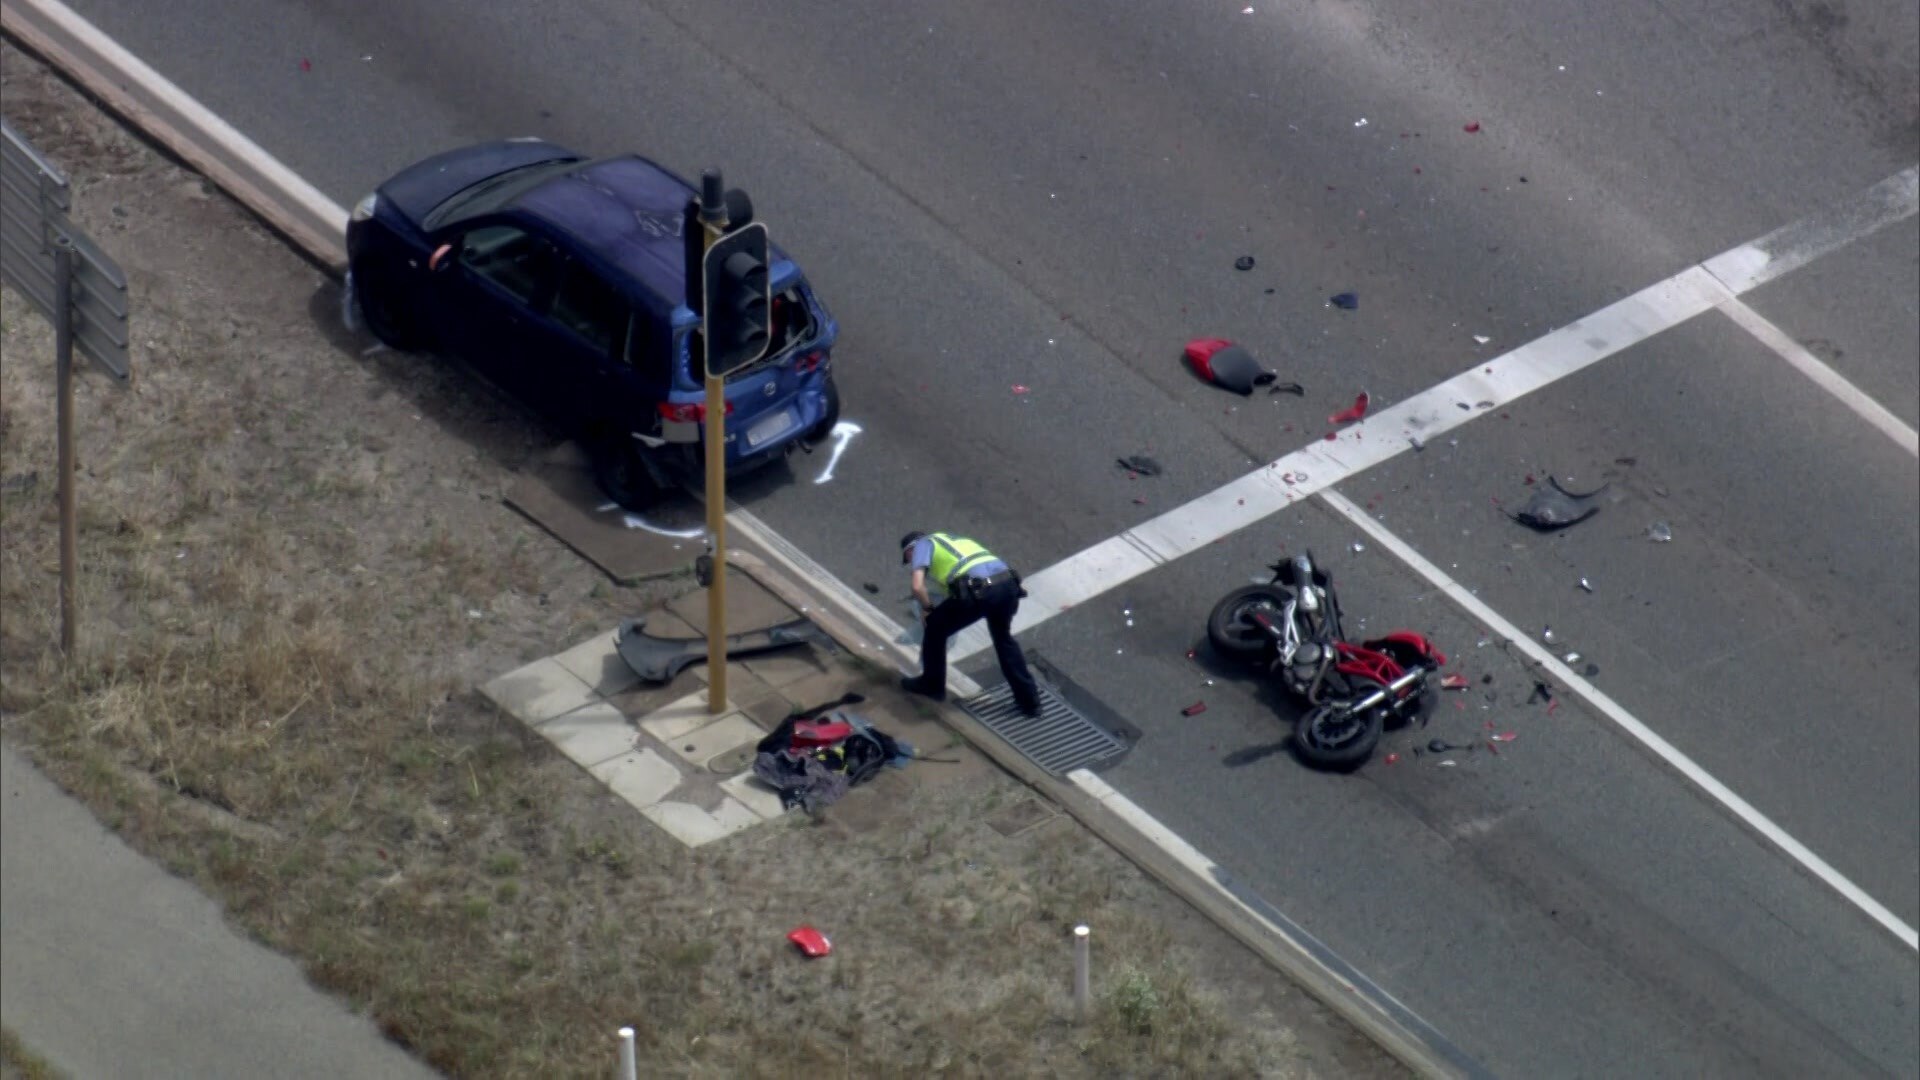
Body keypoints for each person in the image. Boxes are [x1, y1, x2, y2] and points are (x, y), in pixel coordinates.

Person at [898, 530, 1042, 717]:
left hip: (980, 590)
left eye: (908, 558)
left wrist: (927, 609)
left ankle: (931, 685)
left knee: (934, 627)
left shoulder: (924, 544)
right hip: (1008, 584)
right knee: (1003, 639)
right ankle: (1030, 702)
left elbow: (917, 586)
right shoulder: (956, 541)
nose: (911, 562)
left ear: (911, 548)